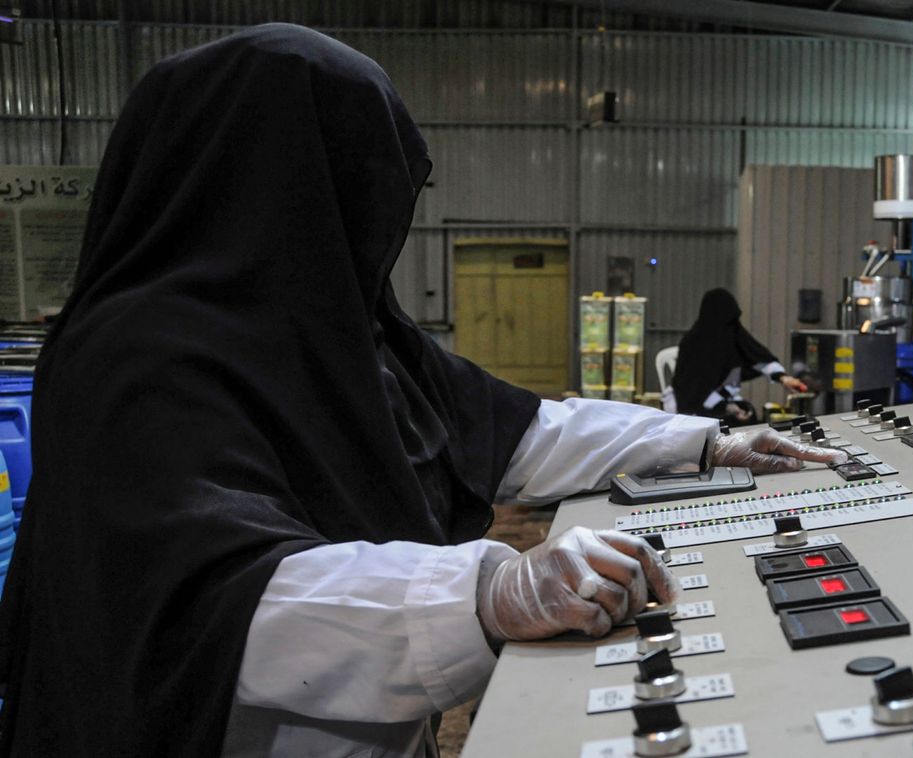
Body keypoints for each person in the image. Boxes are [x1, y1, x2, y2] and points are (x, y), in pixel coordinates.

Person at [0, 25, 846, 757]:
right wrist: (487, 590)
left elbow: (524, 431)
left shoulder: (343, 335)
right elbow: (214, 601)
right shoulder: (139, 357)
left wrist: (705, 444)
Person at [671, 288, 809, 426]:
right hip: (694, 412)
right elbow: (691, 395)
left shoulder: (732, 335)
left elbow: (757, 356)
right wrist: (726, 407)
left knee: (747, 412)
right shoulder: (693, 345)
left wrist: (783, 377)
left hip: (721, 403)